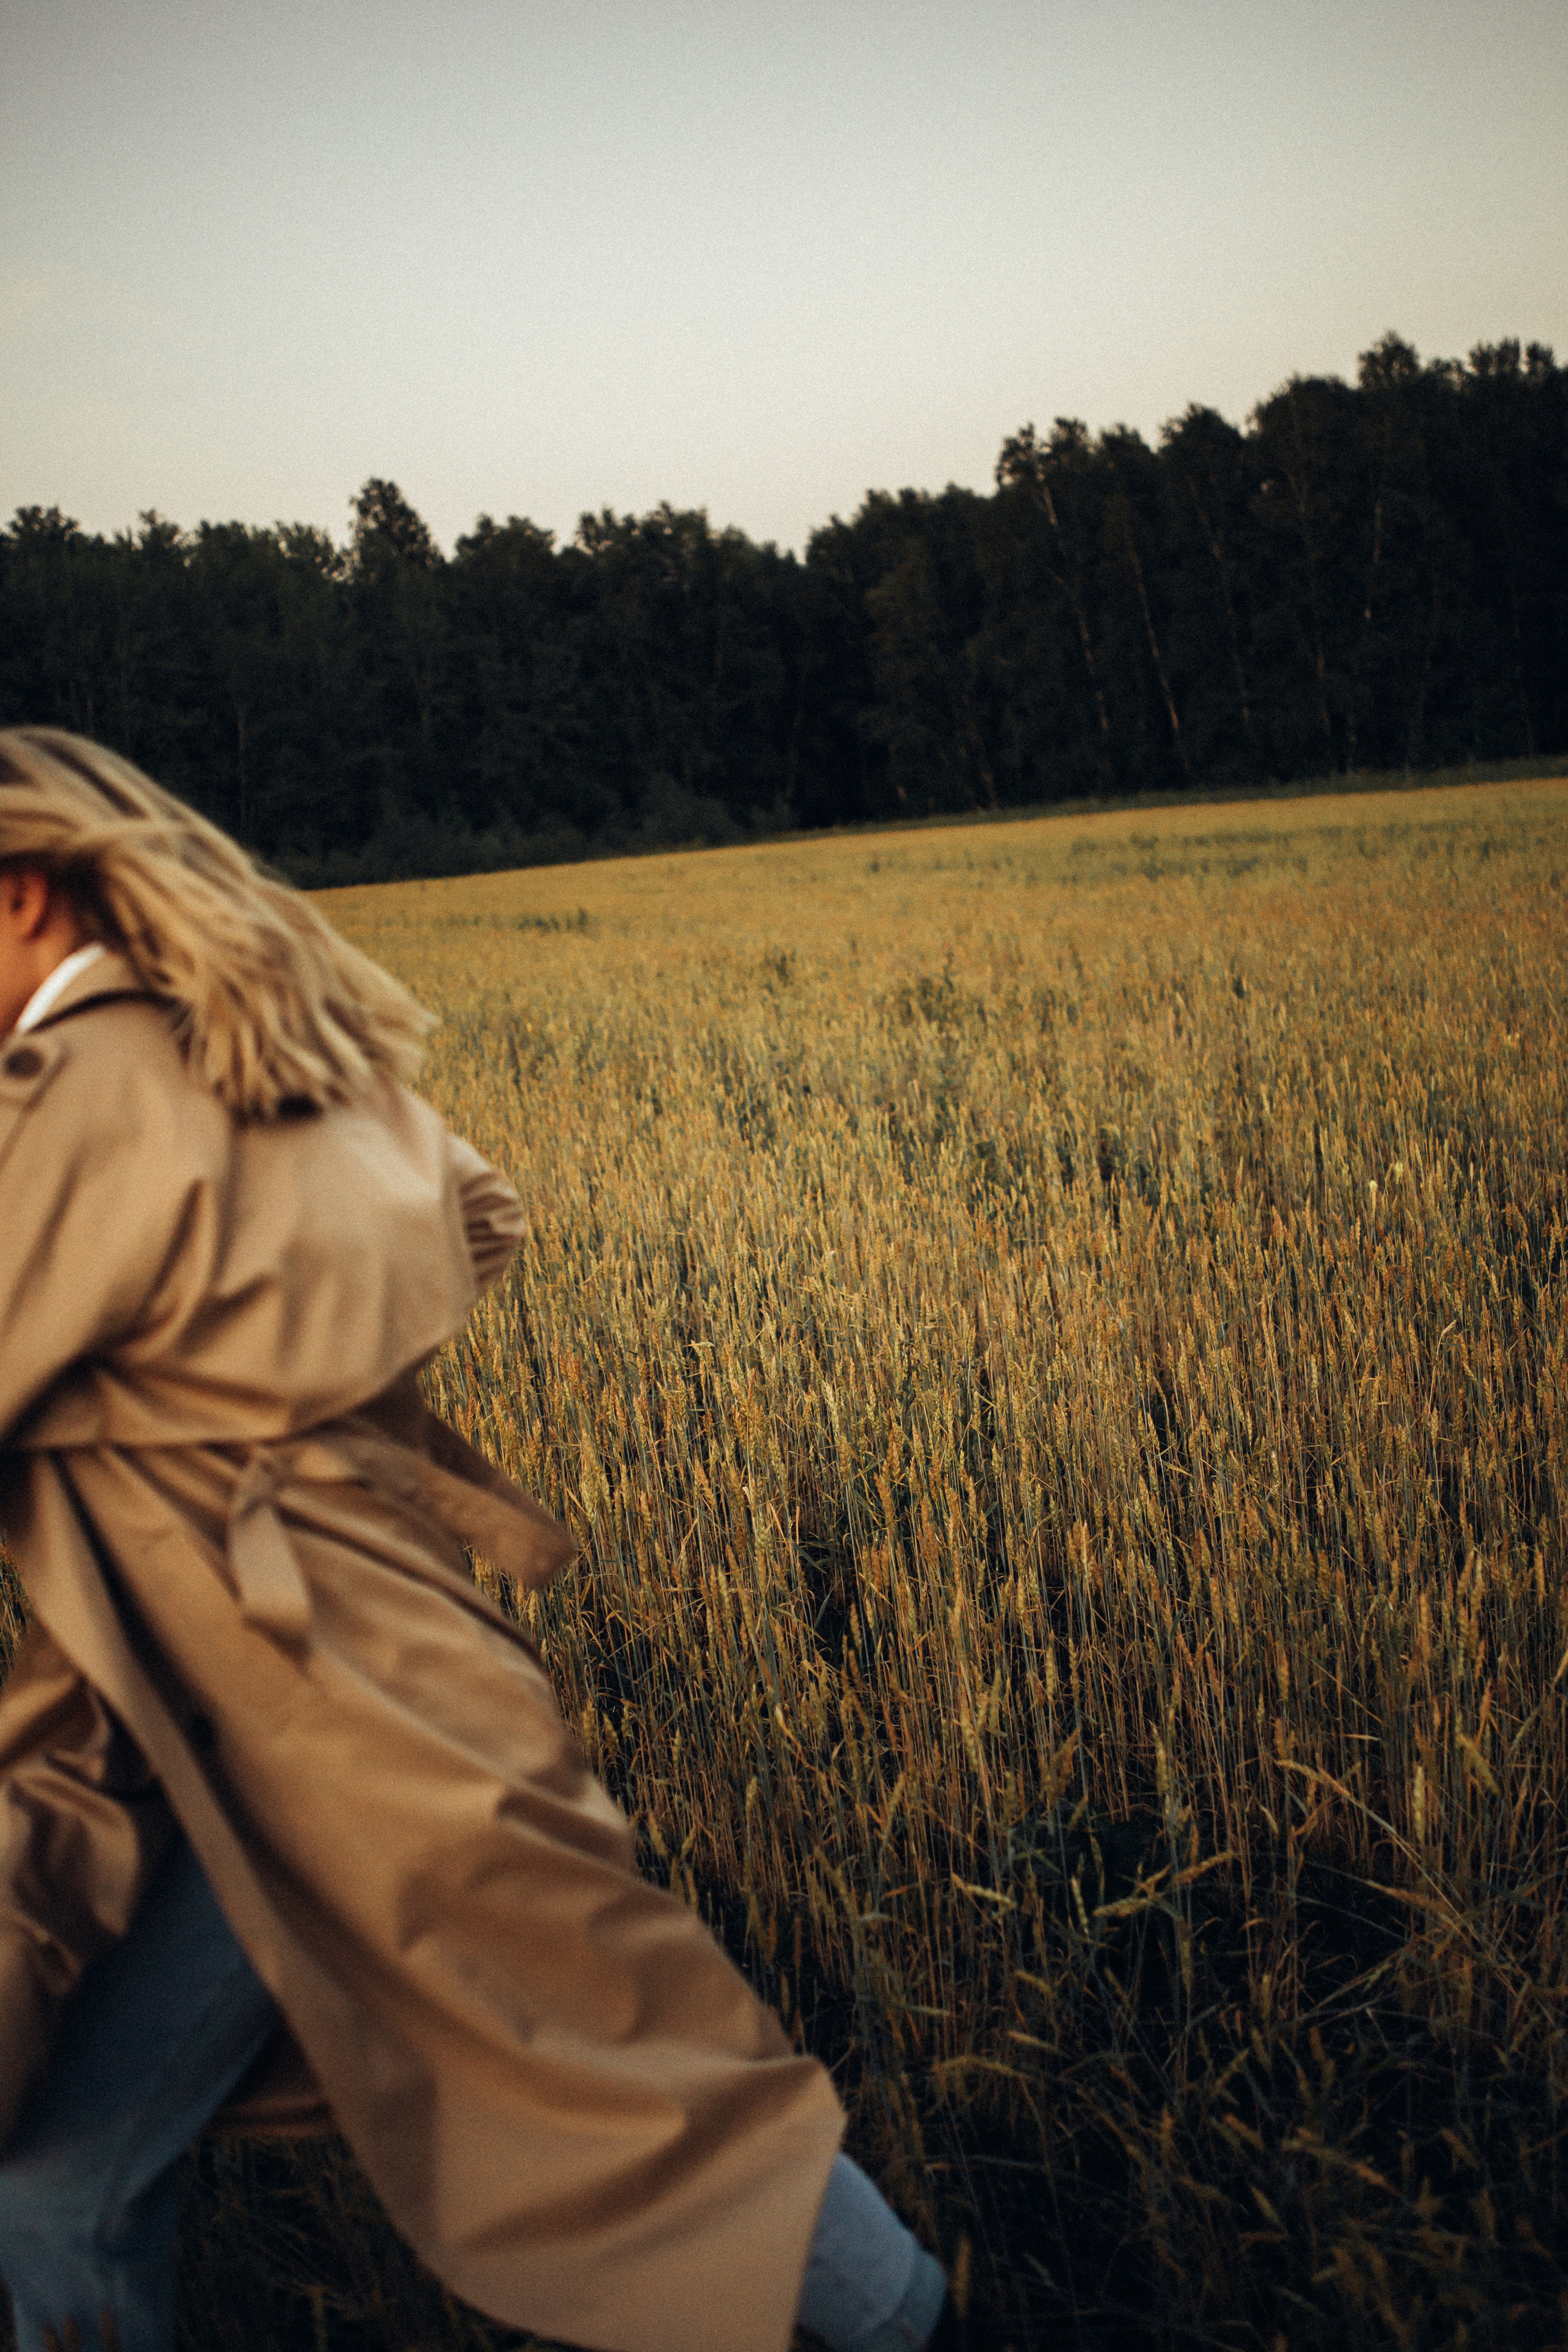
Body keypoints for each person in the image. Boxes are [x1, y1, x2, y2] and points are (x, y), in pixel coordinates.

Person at [0, 729, 955, 2352]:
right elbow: (480, 1210)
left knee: (633, 2094)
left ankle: (926, 2337)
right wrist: (307, 1397)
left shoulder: (78, 1086)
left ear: (22, 897)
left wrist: (221, 1412)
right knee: (62, 2182)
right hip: (273, 1692)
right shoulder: (268, 1050)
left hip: (328, 1703)